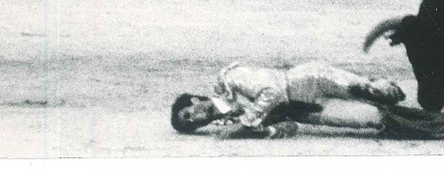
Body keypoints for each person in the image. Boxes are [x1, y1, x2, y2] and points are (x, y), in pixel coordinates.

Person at [171, 61, 405, 138]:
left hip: (309, 80)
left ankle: (377, 84)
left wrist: (245, 123)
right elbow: (290, 127)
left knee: (380, 94)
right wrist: (262, 132)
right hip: (305, 111)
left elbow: (272, 91)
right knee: (372, 118)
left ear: (194, 100)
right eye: (192, 124)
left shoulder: (228, 79)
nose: (195, 119)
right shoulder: (228, 124)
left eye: (188, 114)